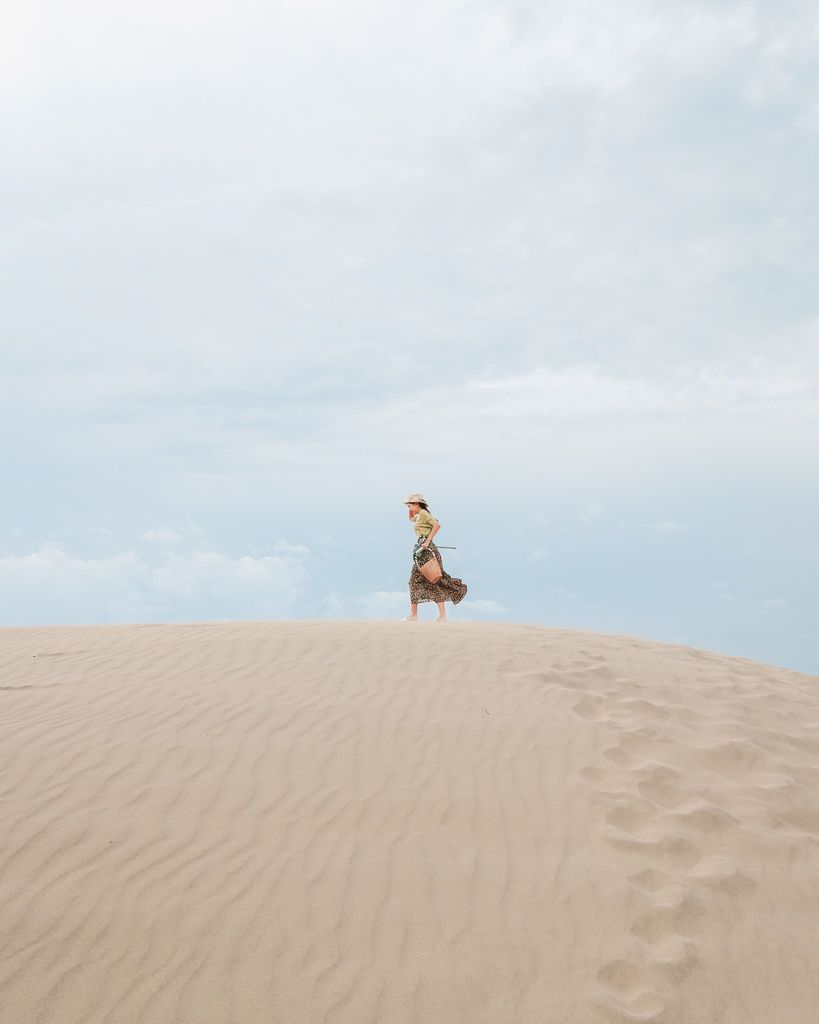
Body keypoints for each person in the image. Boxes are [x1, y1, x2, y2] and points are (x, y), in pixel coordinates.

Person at [403, 492, 467, 621]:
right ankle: (416, 615)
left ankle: (424, 615)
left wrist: (427, 541)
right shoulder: (420, 515)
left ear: (417, 504)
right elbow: (413, 519)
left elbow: (437, 525)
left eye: (410, 505)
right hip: (422, 549)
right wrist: (410, 512)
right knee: (417, 581)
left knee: (431, 580)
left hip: (427, 550)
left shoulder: (424, 514)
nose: (409, 508)